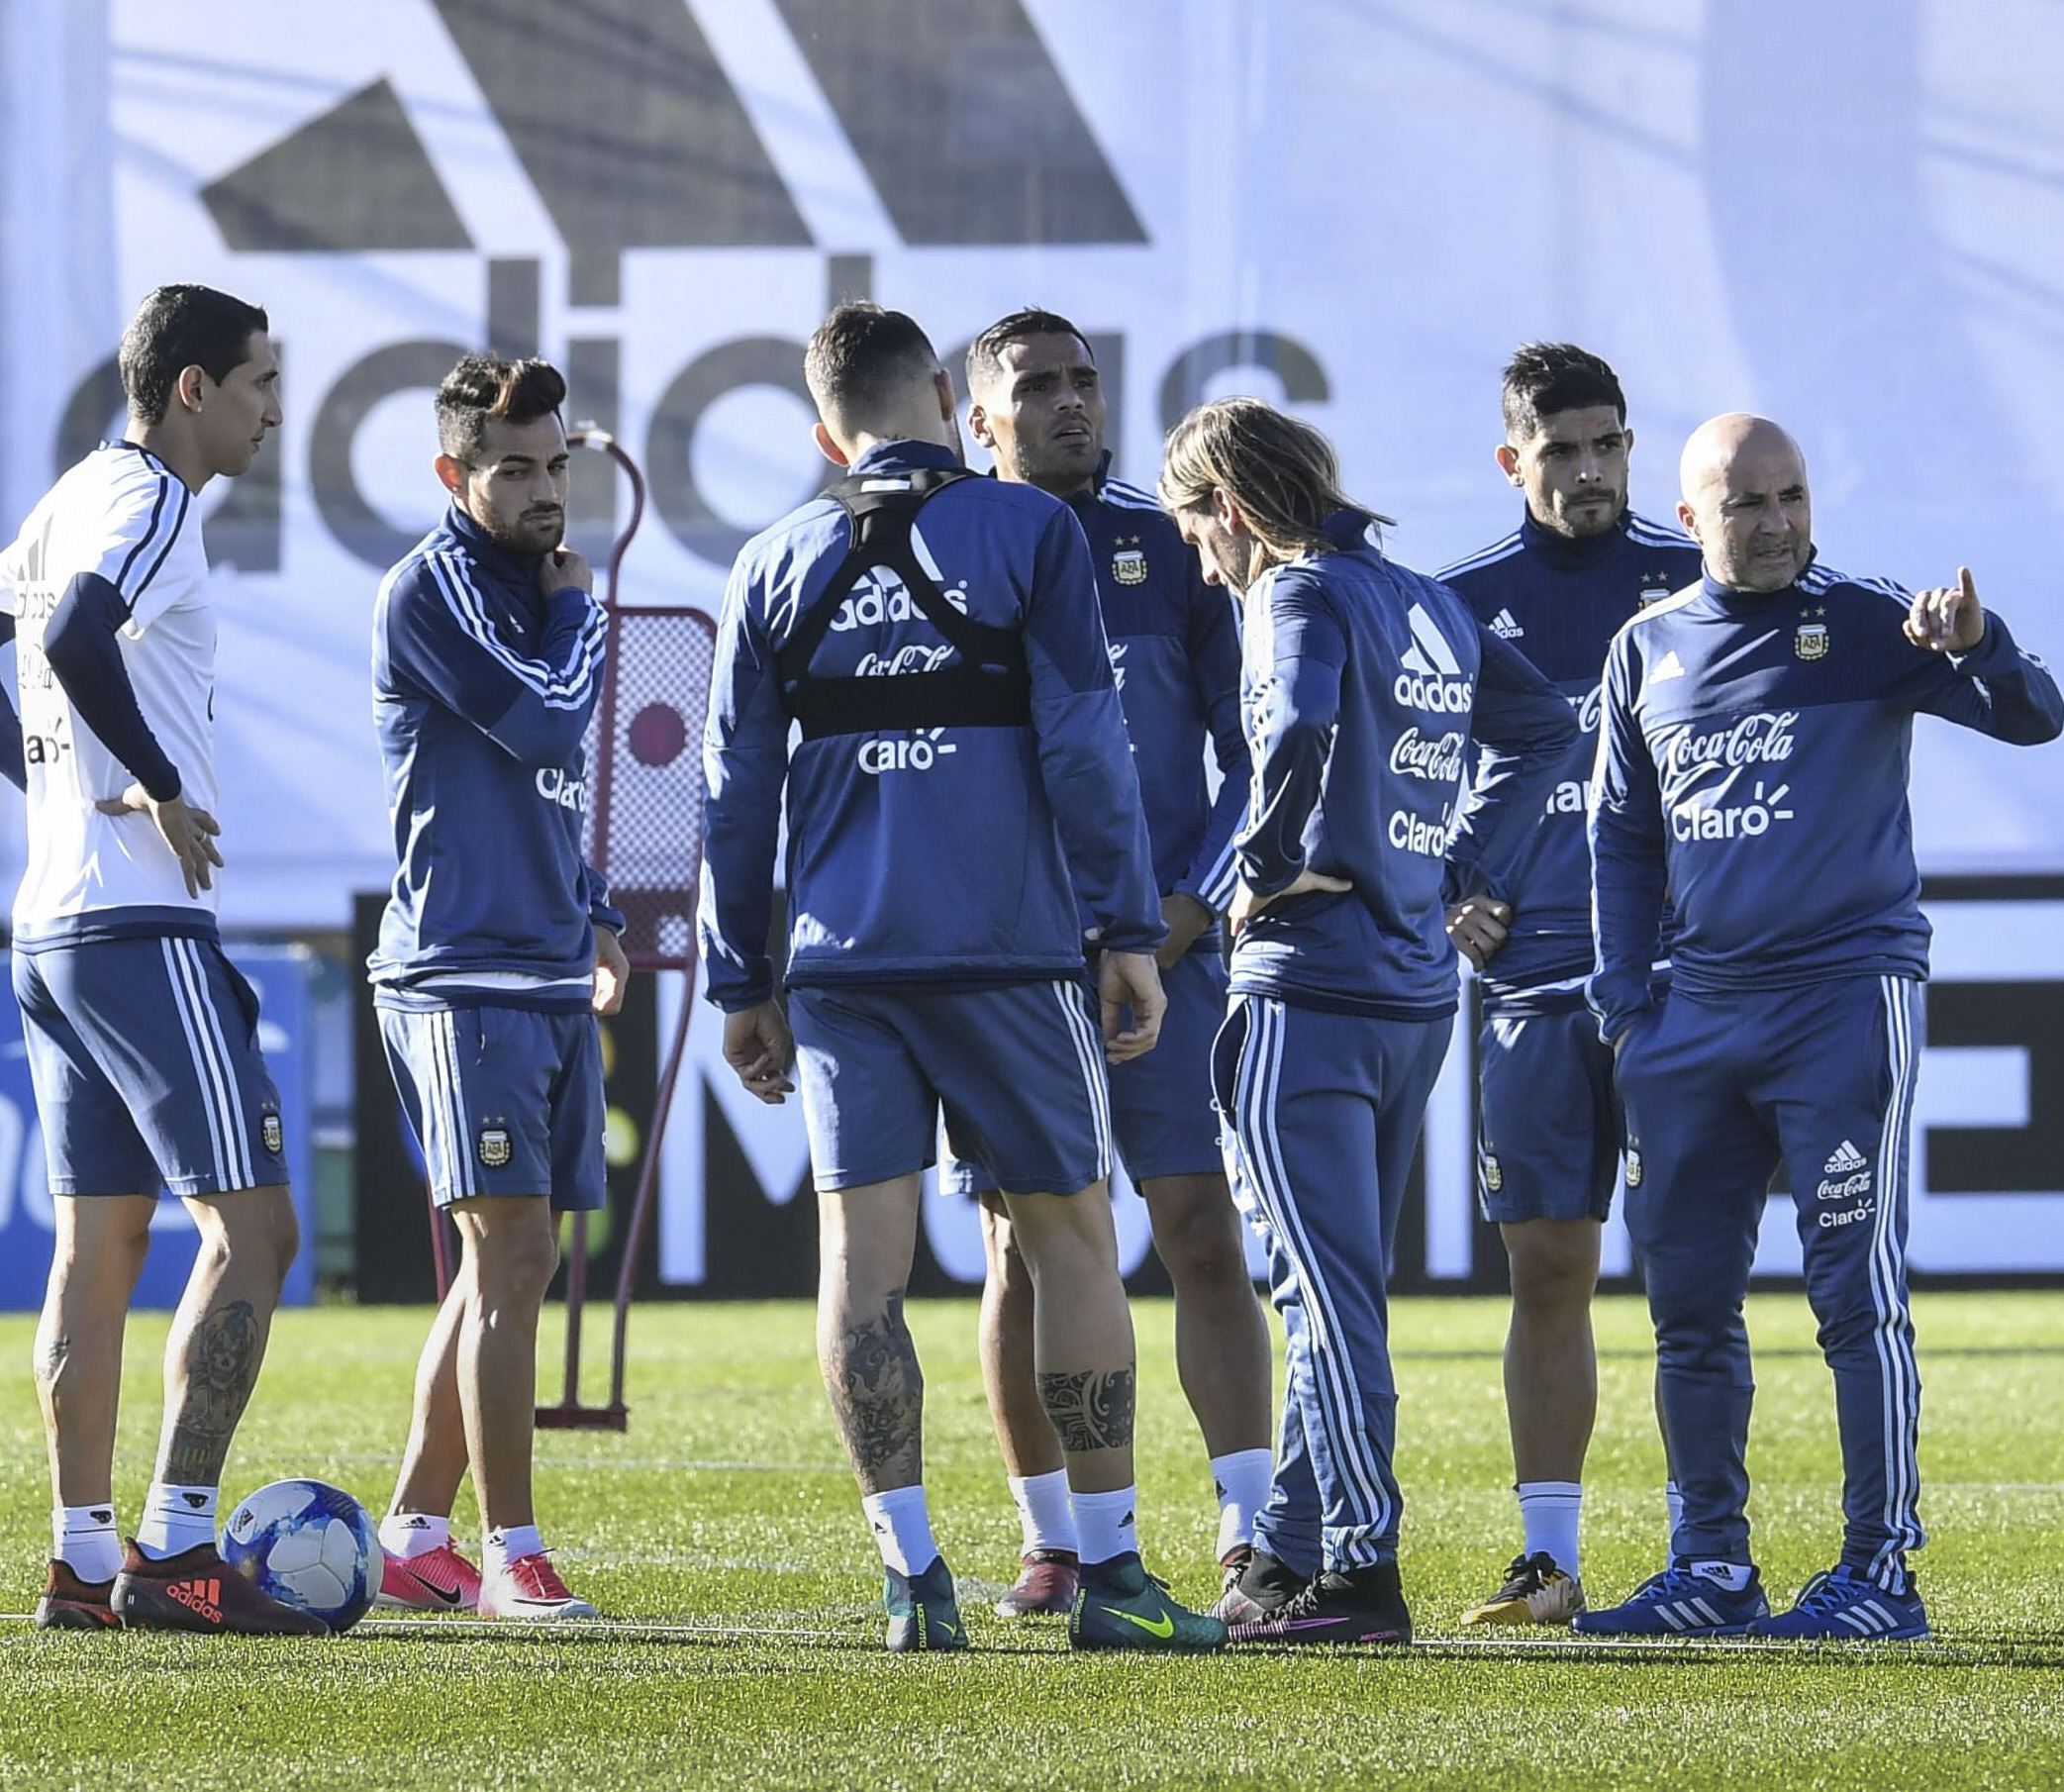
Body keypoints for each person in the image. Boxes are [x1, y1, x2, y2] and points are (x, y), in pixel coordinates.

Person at [701, 302, 1225, 1654]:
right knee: (1069, 1242)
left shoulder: (770, 560)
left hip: (841, 969)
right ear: (946, 396)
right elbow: (1086, 742)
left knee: (859, 1268)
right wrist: (1126, 929)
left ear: (826, 432)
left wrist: (740, 978)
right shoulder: (1031, 529)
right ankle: (1110, 1576)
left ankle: (913, 1579)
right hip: (1008, 955)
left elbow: (732, 794)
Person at [1577, 413, 2062, 1640]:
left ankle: (1879, 1574)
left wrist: (1980, 643)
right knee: (1688, 1307)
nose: (1779, 522)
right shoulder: (1644, 650)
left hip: (1842, 1001)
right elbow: (1621, 839)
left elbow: (2035, 715)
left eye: (1792, 494)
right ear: (1690, 518)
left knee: (1855, 1294)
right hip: (1690, 1020)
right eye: (1748, 503)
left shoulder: (1868, 620)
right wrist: (1626, 1006)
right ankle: (1711, 1568)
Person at [1162, 398, 1576, 1644]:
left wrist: (1259, 867)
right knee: (1338, 1289)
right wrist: (1450, 865)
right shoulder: (1427, 597)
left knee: (1321, 1297)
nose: (1203, 561)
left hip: (1307, 989)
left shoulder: (1294, 592)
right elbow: (1543, 730)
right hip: (1409, 998)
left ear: (1233, 507)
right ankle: (1288, 1553)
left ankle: (1357, 1568)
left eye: (1196, 529)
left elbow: (1296, 727)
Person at [0, 284, 319, 1633]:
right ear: (191, 388)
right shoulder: (150, 502)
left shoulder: (65, 495)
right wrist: (159, 784)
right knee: (259, 1233)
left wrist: (64, 792)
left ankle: (79, 1560)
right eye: (259, 382)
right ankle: (178, 1548)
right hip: (135, 923)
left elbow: (28, 639)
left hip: (50, 924)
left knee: (99, 1246)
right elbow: (76, 632)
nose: (274, 411)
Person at [953, 307, 1271, 1617]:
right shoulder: (950, 549)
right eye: (1037, 385)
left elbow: (1253, 750)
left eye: (1084, 379)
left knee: (1199, 1227)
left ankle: (1250, 1530)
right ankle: (1057, 1541)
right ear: (979, 418)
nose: (1072, 401)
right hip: (1015, 967)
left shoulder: (1168, 544)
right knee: (1018, 1251)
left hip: (1171, 951)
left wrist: (1181, 910)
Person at [1438, 345, 1703, 1627]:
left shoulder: (1697, 581)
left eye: (1608, 445)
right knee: (1548, 1266)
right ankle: (1547, 1561)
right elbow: (1390, 777)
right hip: (1531, 987)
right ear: (1513, 460)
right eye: (1560, 451)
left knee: (1691, 1274)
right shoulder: (1455, 605)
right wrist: (1442, 884)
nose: (1590, 470)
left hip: (1681, 978)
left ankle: (1708, 1554)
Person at [366, 352, 627, 1622]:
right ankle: (511, 1553)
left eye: (555, 463)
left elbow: (546, 792)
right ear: (452, 473)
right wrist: (581, 616)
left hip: (541, 964)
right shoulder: (433, 590)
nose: (544, 489)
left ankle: (415, 1535)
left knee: (504, 1264)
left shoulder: (540, 588)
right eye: (514, 468)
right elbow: (545, 725)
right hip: (458, 971)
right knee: (510, 1248)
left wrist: (598, 913)